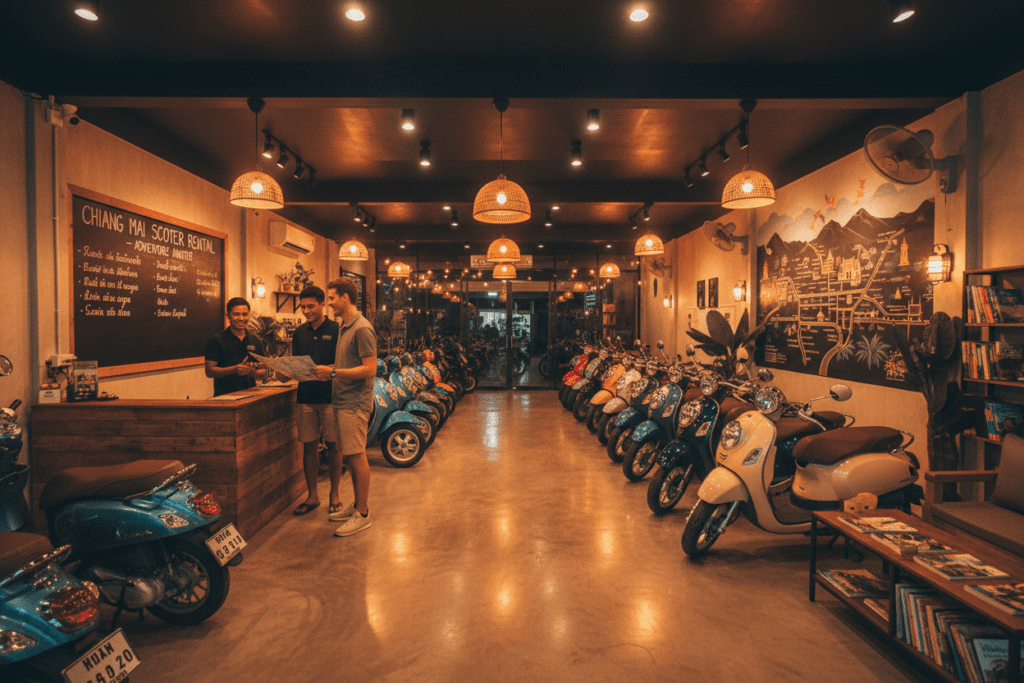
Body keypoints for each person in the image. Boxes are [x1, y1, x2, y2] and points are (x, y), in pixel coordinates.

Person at [314, 277, 377, 537]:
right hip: (341, 401)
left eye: (331, 298)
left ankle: (362, 513)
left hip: (354, 403)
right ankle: (357, 505)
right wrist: (330, 370)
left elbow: (369, 368)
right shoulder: (345, 326)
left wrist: (332, 374)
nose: (328, 304)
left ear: (345, 298)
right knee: (349, 455)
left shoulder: (362, 328)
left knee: (356, 455)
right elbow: (347, 363)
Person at [288, 286, 341, 517]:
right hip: (306, 397)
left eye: (311, 306)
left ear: (322, 305)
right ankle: (313, 496)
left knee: (334, 446)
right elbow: (297, 362)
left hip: (331, 397)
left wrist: (327, 369)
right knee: (309, 446)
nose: (307, 311)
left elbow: (346, 363)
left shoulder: (338, 329)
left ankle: (335, 495)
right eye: (303, 307)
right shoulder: (299, 332)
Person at [205, 297, 266, 397]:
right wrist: (234, 369)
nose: (241, 318)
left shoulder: (256, 340)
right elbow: (209, 371)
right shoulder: (216, 340)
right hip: (225, 398)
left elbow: (264, 372)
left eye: (245, 314)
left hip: (252, 397)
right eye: (236, 314)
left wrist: (252, 372)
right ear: (228, 315)